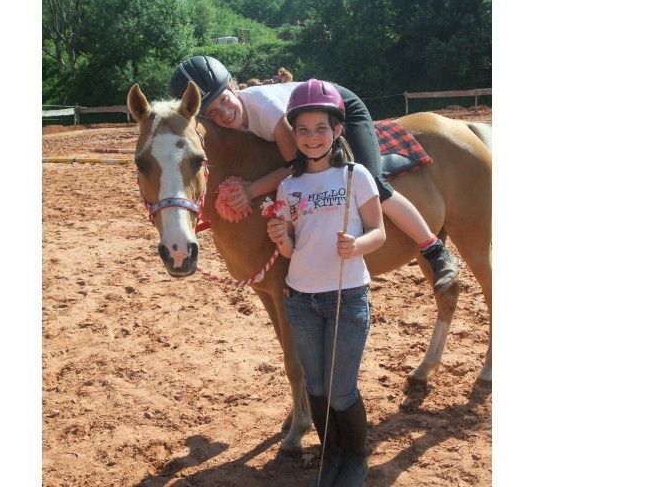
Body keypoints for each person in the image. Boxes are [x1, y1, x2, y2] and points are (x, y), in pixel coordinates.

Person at [169, 55, 458, 294]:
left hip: (340, 105)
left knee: (374, 182)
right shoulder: (231, 125)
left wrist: (251, 190)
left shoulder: (267, 111)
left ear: (233, 86)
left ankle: (433, 249)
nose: (223, 113)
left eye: (224, 100)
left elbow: (297, 166)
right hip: (305, 117)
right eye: (212, 112)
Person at [265, 85, 385, 486]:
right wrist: (281, 237)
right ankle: (330, 456)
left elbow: (379, 232)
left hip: (346, 297)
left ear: (336, 130)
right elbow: (289, 252)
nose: (311, 136)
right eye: (302, 129)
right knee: (315, 386)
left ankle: (355, 460)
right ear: (294, 135)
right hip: (301, 300)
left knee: (340, 389)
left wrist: (357, 245)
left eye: (321, 127)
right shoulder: (289, 187)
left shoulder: (356, 175)